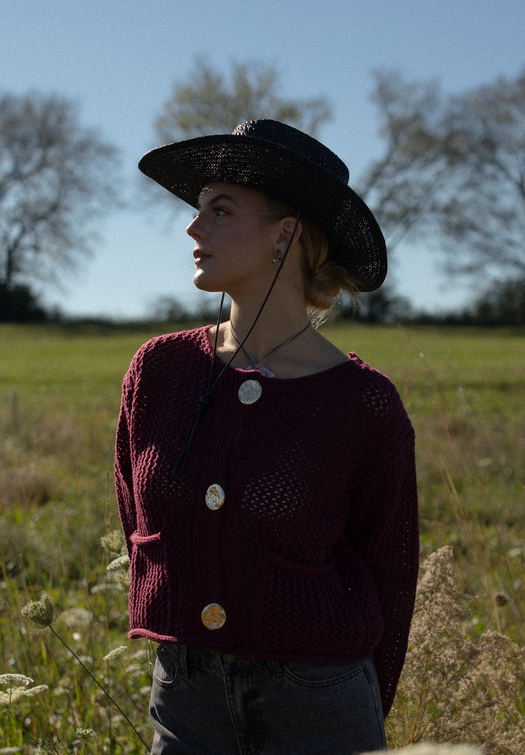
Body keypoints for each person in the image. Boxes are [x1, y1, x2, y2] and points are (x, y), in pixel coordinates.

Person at [114, 119, 419, 754]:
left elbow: (391, 576)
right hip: (185, 694)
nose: (193, 229)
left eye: (219, 211)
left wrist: (361, 715)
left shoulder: (362, 402)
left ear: (286, 234)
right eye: (197, 210)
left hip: (318, 703)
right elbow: (138, 522)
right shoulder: (160, 371)